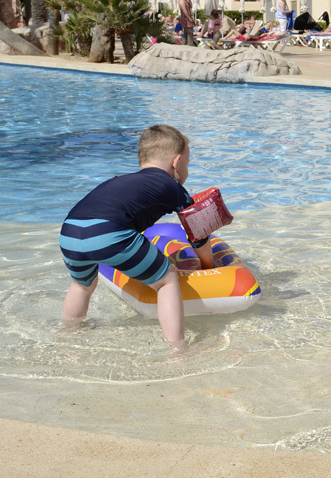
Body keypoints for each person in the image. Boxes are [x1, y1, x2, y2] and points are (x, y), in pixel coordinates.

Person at [59, 125, 215, 352]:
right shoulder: (172, 186)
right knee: (166, 280)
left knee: (82, 286)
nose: (186, 170)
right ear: (176, 162)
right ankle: (178, 350)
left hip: (70, 231)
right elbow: (198, 234)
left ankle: (66, 338)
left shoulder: (119, 182)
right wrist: (207, 265)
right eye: (187, 165)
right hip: (108, 234)